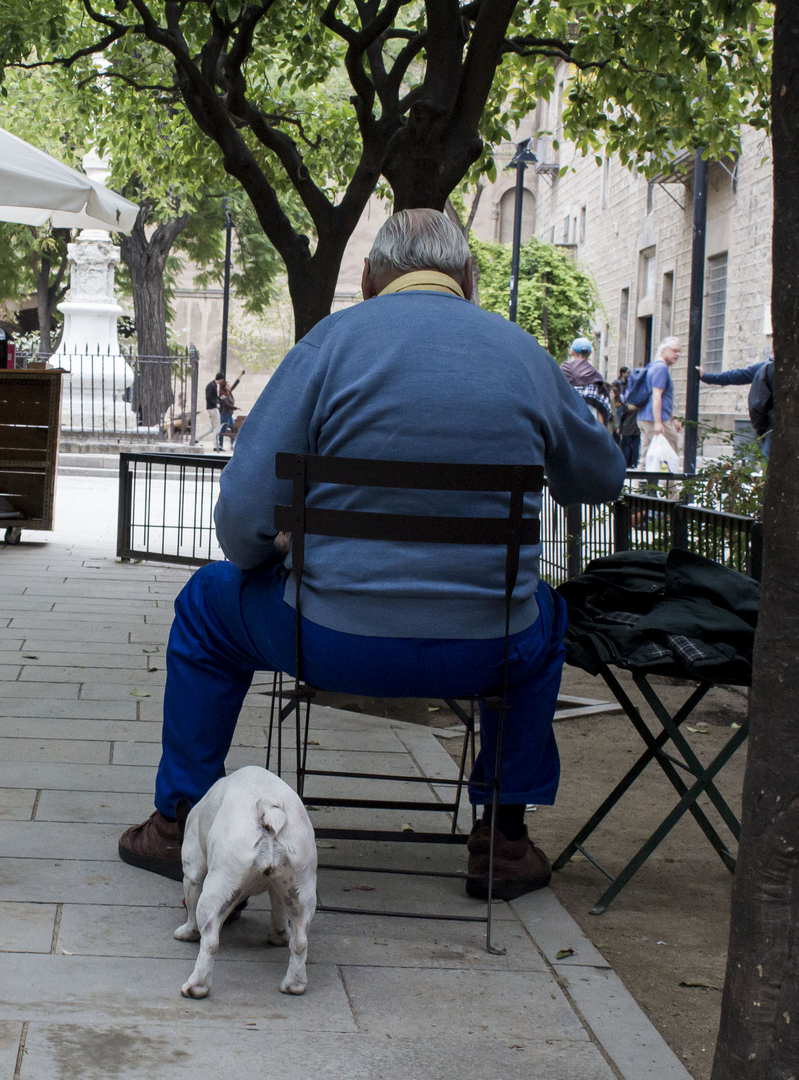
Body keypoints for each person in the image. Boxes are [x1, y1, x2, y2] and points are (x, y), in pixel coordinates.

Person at [117, 209, 626, 900]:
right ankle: (503, 839)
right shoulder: (524, 356)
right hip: (484, 647)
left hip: (327, 638)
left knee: (207, 607)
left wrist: (269, 554)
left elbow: (239, 518)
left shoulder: (329, 345)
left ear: (365, 278)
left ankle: (179, 822)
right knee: (545, 620)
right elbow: (600, 480)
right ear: (470, 278)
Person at [700, 356, 774, 456]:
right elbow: (738, 375)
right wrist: (706, 377)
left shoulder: (766, 368)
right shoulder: (766, 368)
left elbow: (739, 375)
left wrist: (706, 377)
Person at [637, 336, 681, 463]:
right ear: (664, 350)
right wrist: (658, 422)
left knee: (646, 457)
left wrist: (672, 417)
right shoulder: (661, 368)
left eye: (679, 351)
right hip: (656, 419)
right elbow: (657, 395)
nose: (677, 354)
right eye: (674, 350)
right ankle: (666, 483)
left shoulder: (653, 366)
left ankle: (640, 482)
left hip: (645, 417)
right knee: (668, 456)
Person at [560, 337, 612, 428]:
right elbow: (604, 409)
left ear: (573, 352)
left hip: (566, 427)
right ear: (590, 353)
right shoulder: (596, 378)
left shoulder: (562, 372)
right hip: (590, 429)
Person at [615, 366, 642, 468]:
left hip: (628, 426)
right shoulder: (618, 384)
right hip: (635, 426)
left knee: (627, 446)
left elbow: (623, 414)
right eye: (627, 372)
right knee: (634, 446)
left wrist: (619, 425)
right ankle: (633, 464)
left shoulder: (629, 404)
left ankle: (627, 463)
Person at [213, 371, 243, 451]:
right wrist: (236, 408)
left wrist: (241, 375)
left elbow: (235, 384)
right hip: (224, 415)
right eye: (227, 385)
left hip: (229, 415)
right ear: (224, 387)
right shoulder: (223, 395)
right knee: (223, 431)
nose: (229, 386)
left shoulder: (229, 393)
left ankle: (232, 444)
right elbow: (227, 405)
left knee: (234, 428)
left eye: (229, 385)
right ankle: (220, 445)